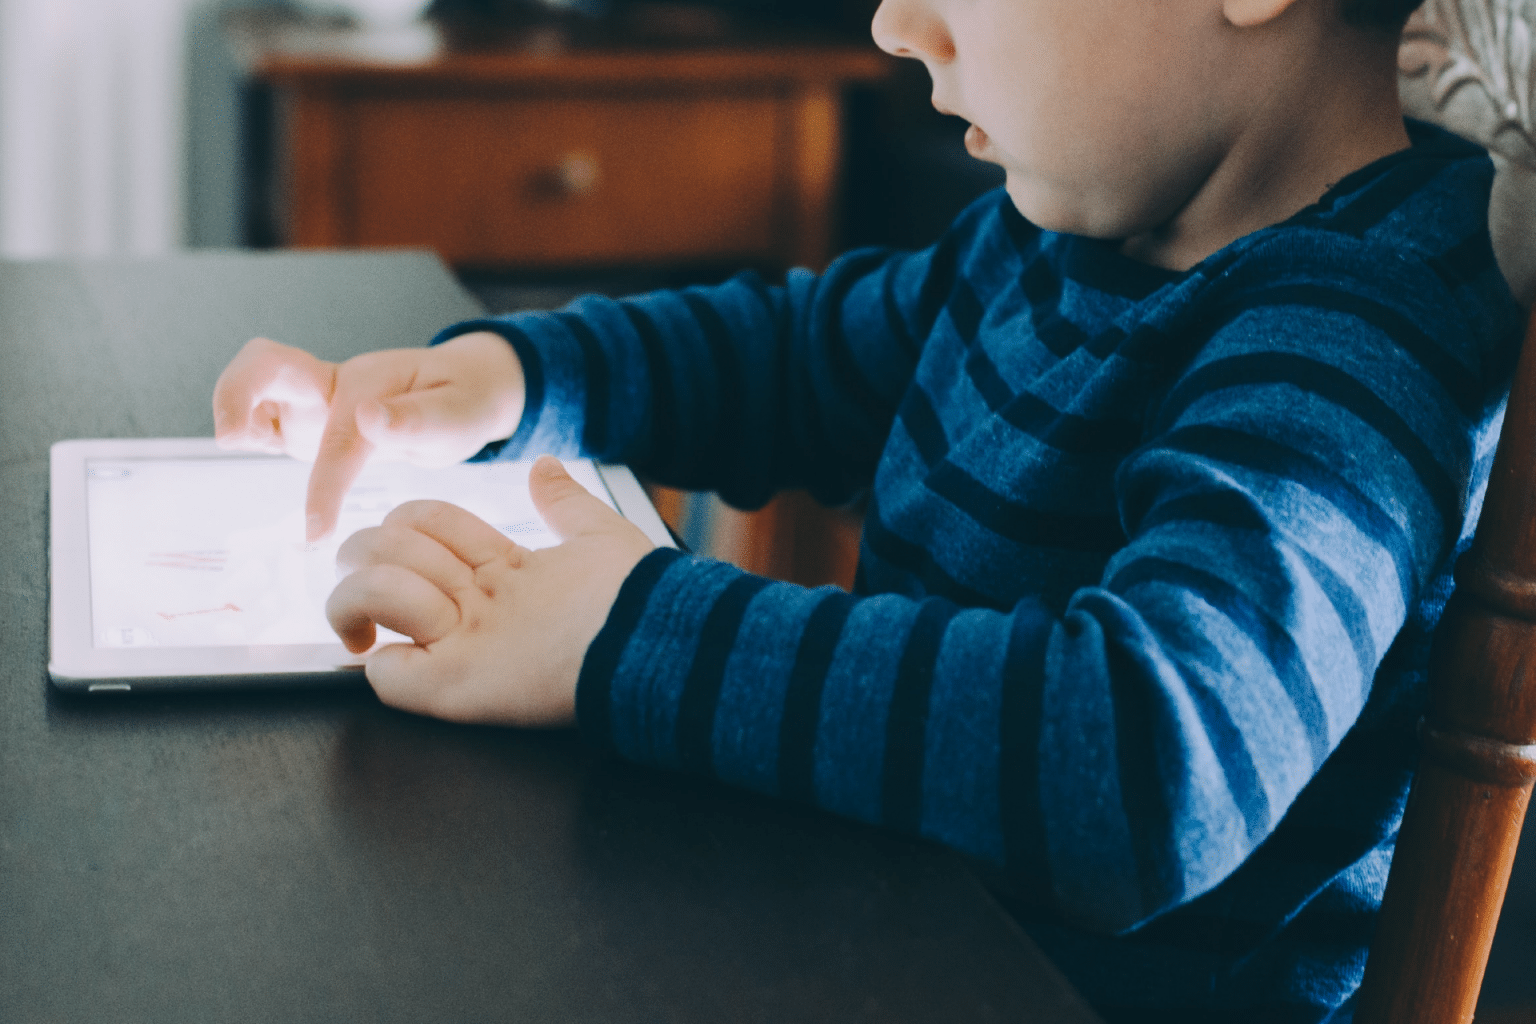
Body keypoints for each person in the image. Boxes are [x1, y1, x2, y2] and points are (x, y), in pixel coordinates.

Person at [211, 0, 1527, 1018]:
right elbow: (796, 360)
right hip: (888, 932)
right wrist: (510, 379)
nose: (897, 25)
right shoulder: (1067, 235)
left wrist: (626, 625)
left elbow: (1150, 761)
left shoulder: (1360, 336)